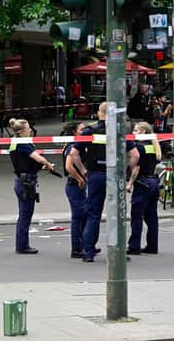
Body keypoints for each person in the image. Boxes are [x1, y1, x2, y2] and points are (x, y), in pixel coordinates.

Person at [8, 117, 55, 254]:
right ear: (22, 131)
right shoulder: (24, 143)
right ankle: (22, 246)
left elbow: (24, 162)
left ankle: (21, 244)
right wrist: (47, 165)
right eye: (28, 128)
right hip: (26, 183)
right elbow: (39, 158)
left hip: (20, 180)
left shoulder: (14, 142)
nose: (30, 130)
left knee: (23, 213)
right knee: (26, 214)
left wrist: (41, 167)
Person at [74, 101, 108, 262]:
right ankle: (119, 251)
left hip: (95, 175)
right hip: (115, 176)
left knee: (93, 214)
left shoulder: (90, 130)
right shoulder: (119, 129)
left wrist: (83, 171)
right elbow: (135, 155)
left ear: (99, 113)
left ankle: (88, 252)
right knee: (119, 214)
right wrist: (126, 172)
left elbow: (74, 153)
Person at [126, 122, 162, 255]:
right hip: (153, 182)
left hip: (143, 183)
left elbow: (136, 168)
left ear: (144, 133)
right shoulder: (153, 146)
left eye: (136, 131)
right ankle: (153, 246)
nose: (133, 133)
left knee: (136, 216)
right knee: (151, 216)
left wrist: (130, 183)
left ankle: (134, 246)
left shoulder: (140, 148)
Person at [62, 121, 87, 258]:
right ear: (74, 132)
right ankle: (77, 248)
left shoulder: (73, 145)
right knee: (78, 217)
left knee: (82, 216)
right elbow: (68, 166)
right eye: (82, 129)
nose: (85, 132)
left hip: (76, 185)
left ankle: (83, 245)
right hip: (75, 185)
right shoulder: (72, 146)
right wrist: (79, 178)